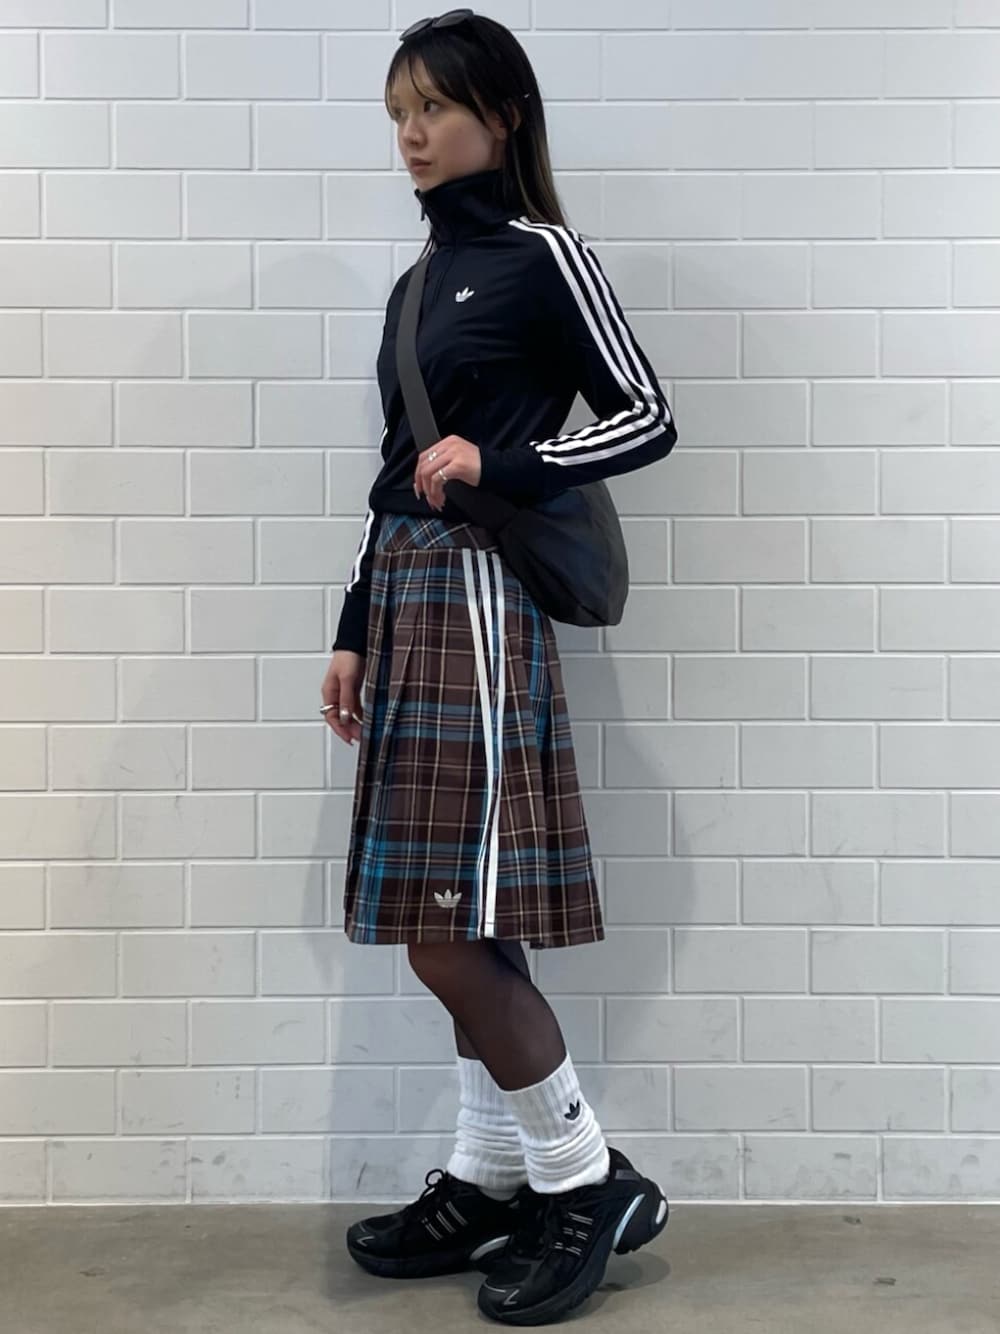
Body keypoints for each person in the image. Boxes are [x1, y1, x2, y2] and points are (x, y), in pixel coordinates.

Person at [320, 10, 677, 1326]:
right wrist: (354, 624)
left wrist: (505, 462)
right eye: (398, 113)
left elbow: (647, 414)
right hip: (409, 599)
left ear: (503, 115)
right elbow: (391, 471)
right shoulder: (419, 285)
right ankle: (489, 1174)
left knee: (441, 930)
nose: (411, 136)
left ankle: (586, 1178)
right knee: (468, 920)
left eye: (434, 108)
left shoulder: (543, 257)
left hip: (479, 606)